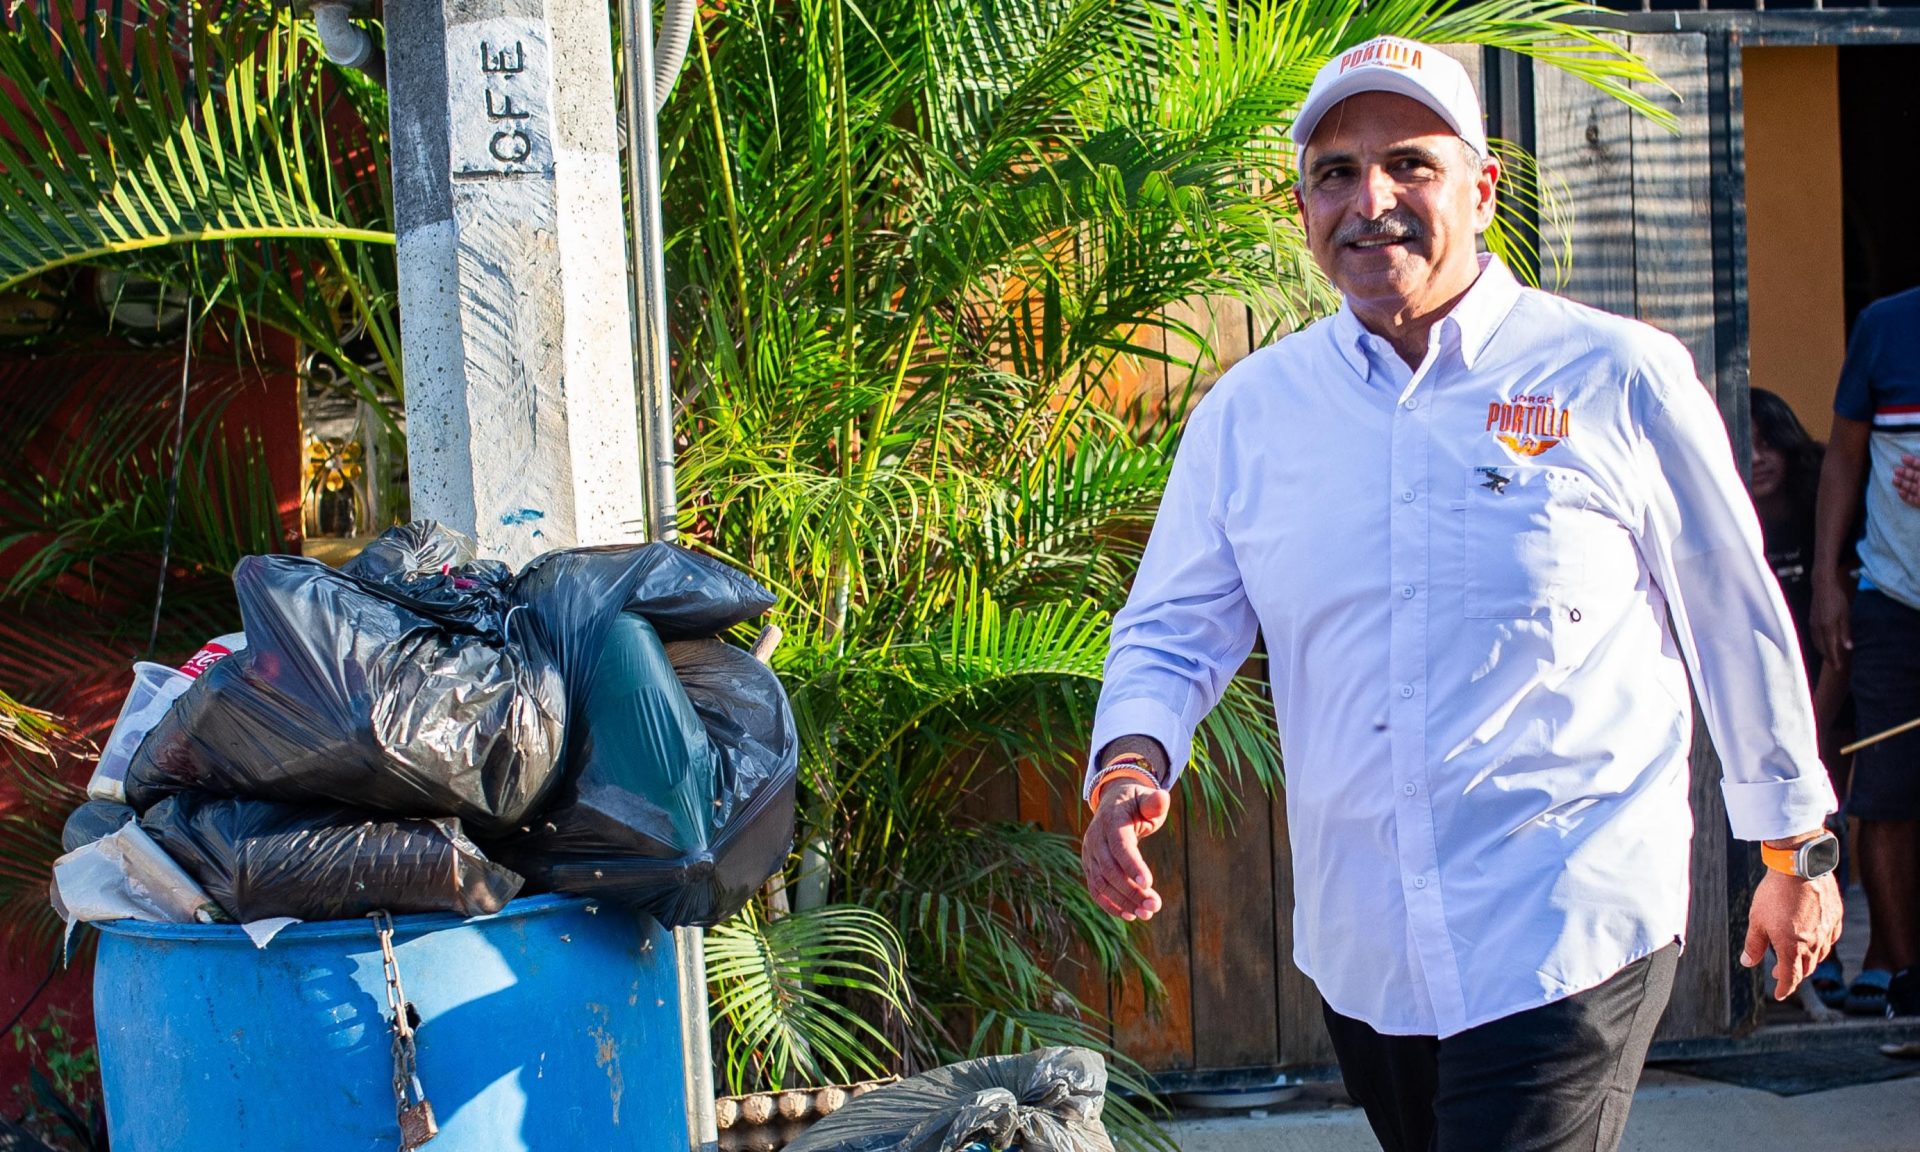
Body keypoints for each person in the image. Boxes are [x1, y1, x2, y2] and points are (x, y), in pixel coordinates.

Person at [1080, 38, 1841, 1152]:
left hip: (1566, 917)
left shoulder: (1615, 376)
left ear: (1482, 190)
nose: (1370, 201)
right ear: (1302, 207)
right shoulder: (1250, 417)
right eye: (1336, 171)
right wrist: (1129, 763)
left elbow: (1735, 622)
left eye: (1410, 165)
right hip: (1366, 942)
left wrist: (1795, 851)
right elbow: (1173, 629)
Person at [1812, 285, 1920, 1018]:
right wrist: (1826, 577)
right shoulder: (1886, 326)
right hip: (1894, 599)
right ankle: (1905, 972)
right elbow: (1844, 460)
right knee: (1885, 791)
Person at [1748, 388, 1856, 1008]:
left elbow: (1838, 646)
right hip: (1758, 718)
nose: (1760, 459)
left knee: (1821, 828)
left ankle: (1827, 955)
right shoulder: (1728, 521)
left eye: (1771, 445)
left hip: (1823, 705)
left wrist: (1809, 733)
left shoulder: (1820, 515)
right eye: (1749, 445)